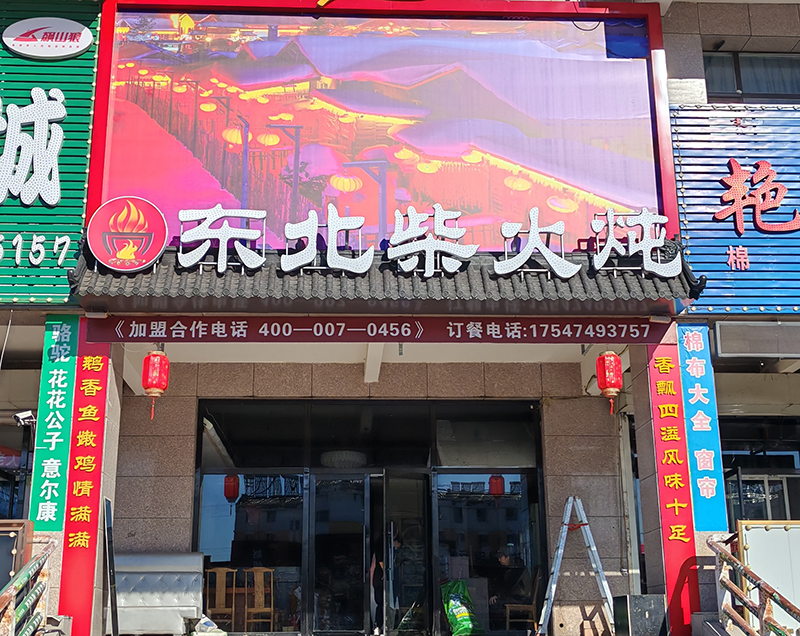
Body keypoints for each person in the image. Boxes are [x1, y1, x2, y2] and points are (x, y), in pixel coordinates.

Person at [488, 546, 533, 611]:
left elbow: (509, 585)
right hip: (513, 596)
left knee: (495, 603)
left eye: (501, 557)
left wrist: (497, 595)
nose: (499, 560)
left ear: (508, 557)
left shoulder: (517, 568)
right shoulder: (507, 568)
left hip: (521, 598)